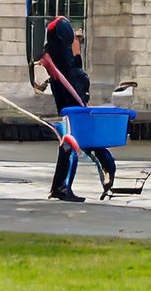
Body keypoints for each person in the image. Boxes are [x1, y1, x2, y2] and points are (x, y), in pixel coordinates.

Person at [32, 16, 114, 202]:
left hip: (67, 107)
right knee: (72, 146)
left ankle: (60, 186)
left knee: (74, 145)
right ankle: (62, 187)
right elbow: (79, 82)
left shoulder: (51, 52)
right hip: (72, 107)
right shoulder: (62, 57)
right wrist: (77, 56)